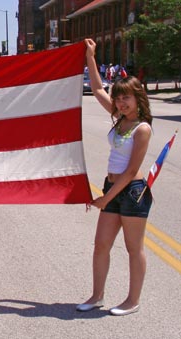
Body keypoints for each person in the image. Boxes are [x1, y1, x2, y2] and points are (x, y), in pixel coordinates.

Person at [77, 39, 153, 316]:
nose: (120, 102)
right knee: (101, 245)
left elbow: (132, 171)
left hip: (133, 191)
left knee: (134, 248)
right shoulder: (119, 118)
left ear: (138, 99)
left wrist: (104, 199)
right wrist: (91, 56)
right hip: (113, 186)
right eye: (118, 97)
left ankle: (132, 301)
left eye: (126, 98)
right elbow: (97, 88)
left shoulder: (141, 128)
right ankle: (97, 296)